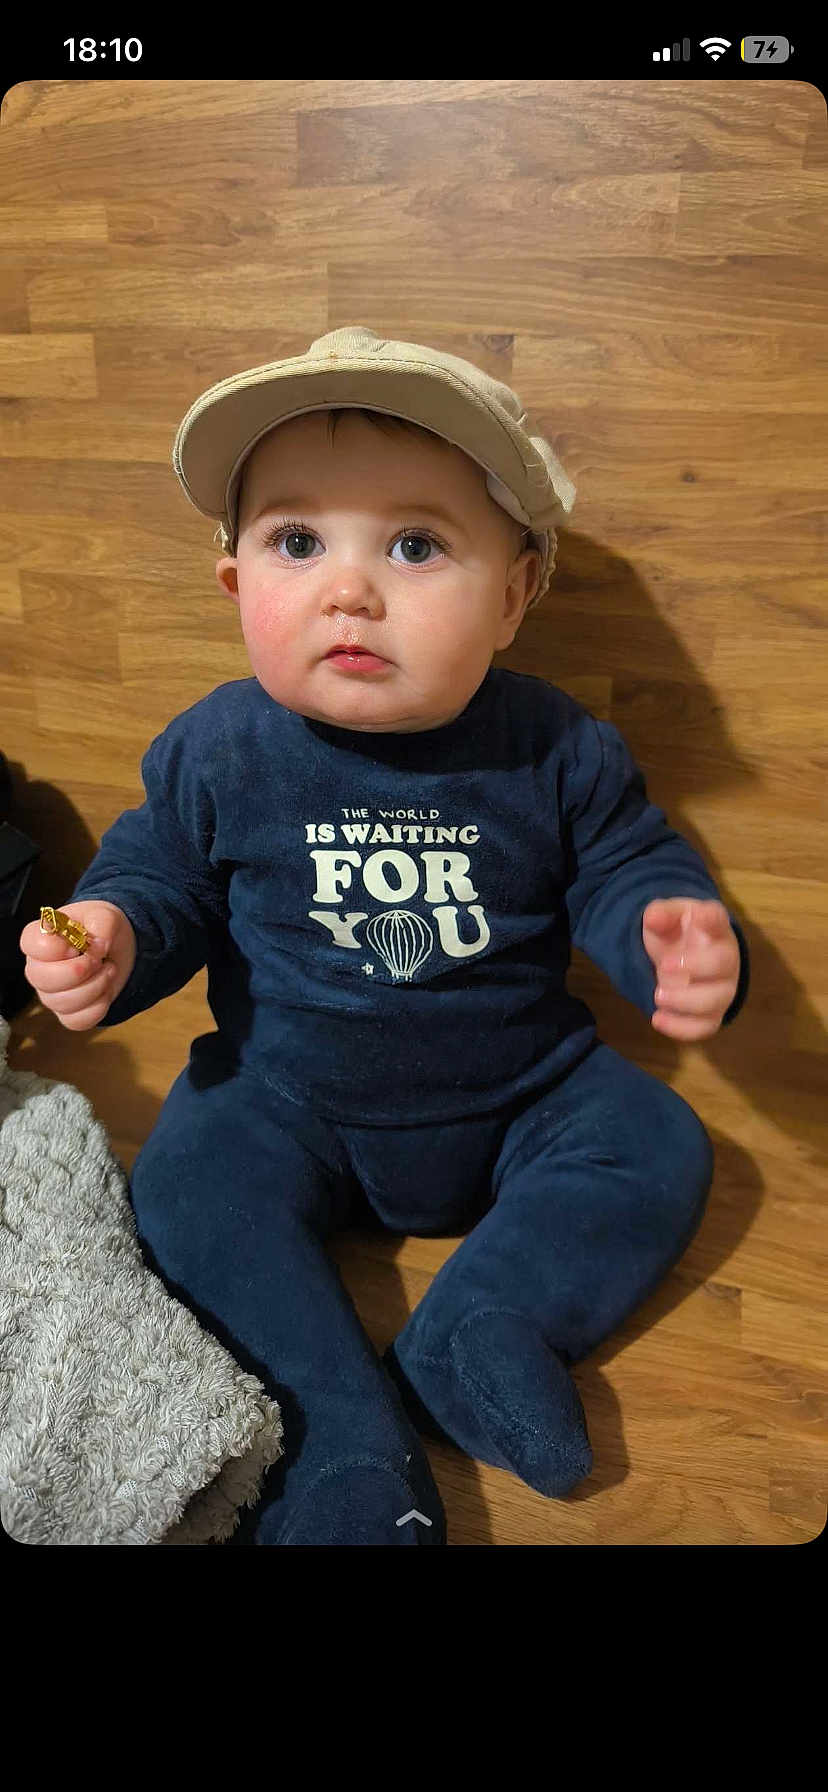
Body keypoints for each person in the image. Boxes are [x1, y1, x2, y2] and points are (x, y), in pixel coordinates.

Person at [19, 327, 750, 1546]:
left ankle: (487, 1324)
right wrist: (110, 938)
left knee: (659, 1141)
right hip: (285, 1097)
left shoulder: (553, 745)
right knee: (185, 1190)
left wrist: (660, 930)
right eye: (296, 543)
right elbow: (163, 880)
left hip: (525, 1090)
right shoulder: (217, 748)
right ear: (234, 587)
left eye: (415, 545)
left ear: (517, 593)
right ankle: (340, 1448)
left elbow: (627, 861)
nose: (348, 589)